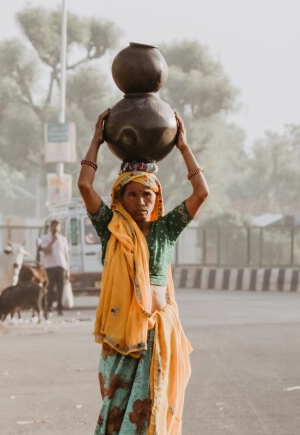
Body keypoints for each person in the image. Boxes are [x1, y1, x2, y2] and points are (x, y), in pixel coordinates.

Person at [78, 108, 209, 435]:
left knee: (153, 415)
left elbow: (201, 193)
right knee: (118, 413)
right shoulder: (112, 229)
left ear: (157, 198)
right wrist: (96, 140)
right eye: (132, 194)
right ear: (120, 198)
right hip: (124, 342)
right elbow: (84, 185)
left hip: (159, 337)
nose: (140, 201)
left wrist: (184, 147)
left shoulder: (166, 229)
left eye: (147, 194)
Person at [40, 219, 70, 316]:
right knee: (50, 288)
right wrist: (53, 241)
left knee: (60, 288)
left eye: (57, 226)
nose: (56, 228)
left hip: (61, 266)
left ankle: (59, 308)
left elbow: (66, 255)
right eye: (54, 226)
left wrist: (68, 270)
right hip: (50, 267)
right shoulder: (45, 238)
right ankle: (49, 308)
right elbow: (45, 251)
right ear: (51, 227)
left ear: (60, 228)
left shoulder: (63, 239)